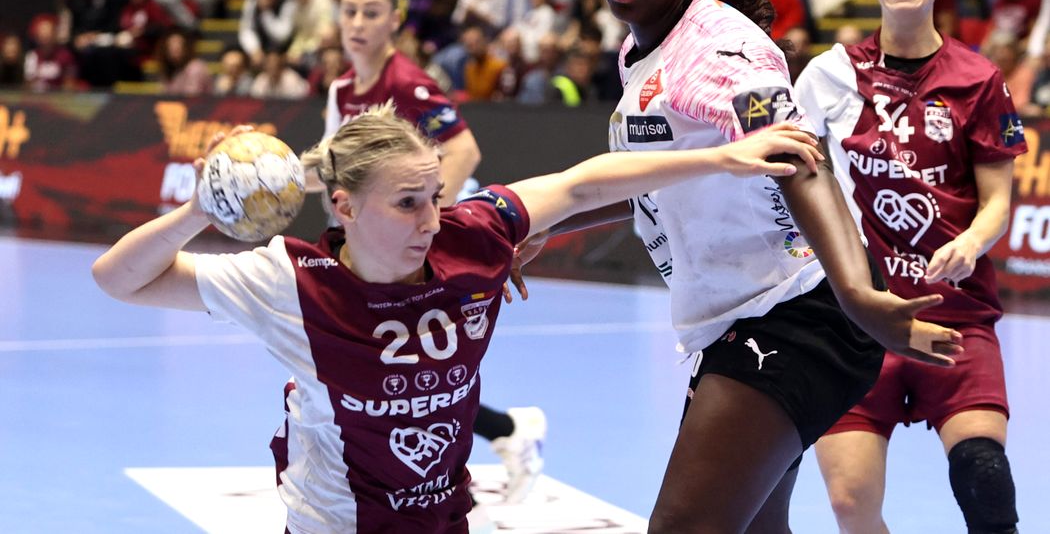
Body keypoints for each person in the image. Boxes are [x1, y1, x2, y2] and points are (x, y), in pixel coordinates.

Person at [92, 104, 827, 534]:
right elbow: (119, 279)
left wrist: (725, 157)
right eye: (407, 203)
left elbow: (580, 184)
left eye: (435, 196)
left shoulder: (471, 236)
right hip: (336, 522)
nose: (430, 218)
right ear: (344, 207)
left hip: (443, 518)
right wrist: (198, 210)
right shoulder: (290, 281)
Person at [514, 0, 964, 533]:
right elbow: (659, 176)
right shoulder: (641, 49)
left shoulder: (720, 54)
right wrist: (555, 225)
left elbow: (797, 157)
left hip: (793, 317)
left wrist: (857, 294)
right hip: (738, 321)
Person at [796, 0, 1027, 534]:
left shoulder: (979, 80)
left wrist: (970, 243)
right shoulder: (829, 75)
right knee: (851, 505)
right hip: (857, 321)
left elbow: (997, 202)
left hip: (955, 314)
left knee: (984, 478)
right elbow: (792, 181)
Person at [320, 0, 551, 504]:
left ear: (395, 19)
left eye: (371, 13)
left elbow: (464, 150)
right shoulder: (342, 89)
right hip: (370, 250)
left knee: (411, 371)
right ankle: (507, 434)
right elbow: (330, 169)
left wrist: (425, 222)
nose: (357, 24)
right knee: (393, 371)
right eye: (349, 11)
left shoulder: (408, 84)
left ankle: (472, 460)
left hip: (421, 248)